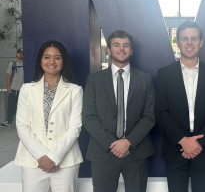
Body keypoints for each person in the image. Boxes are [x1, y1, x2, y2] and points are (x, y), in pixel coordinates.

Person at [155, 20, 205, 192]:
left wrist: (198, 144)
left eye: (194, 38)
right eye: (184, 39)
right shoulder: (164, 74)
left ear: (201, 43)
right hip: (175, 151)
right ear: (177, 43)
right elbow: (161, 112)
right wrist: (183, 141)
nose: (189, 43)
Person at [83, 30, 155, 192]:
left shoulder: (145, 79)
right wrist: (113, 144)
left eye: (126, 45)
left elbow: (149, 117)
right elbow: (89, 117)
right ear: (109, 50)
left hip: (136, 152)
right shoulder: (94, 80)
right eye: (116, 45)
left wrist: (127, 142)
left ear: (132, 50)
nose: (121, 49)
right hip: (103, 152)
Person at [14, 40, 83, 192]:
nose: (52, 61)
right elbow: (22, 127)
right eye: (47, 57)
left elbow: (75, 128)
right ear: (40, 61)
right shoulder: (27, 89)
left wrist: (54, 158)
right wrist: (43, 157)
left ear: (63, 61)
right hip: (33, 162)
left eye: (57, 57)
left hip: (65, 162)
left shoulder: (75, 90)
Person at [1, 48, 24, 127]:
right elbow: (9, 76)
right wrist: (8, 87)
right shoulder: (12, 64)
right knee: (10, 105)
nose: (21, 55)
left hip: (23, 89)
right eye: (19, 53)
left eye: (22, 53)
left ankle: (23, 122)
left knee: (23, 107)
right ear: (16, 54)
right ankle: (9, 121)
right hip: (14, 88)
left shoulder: (27, 64)